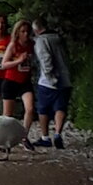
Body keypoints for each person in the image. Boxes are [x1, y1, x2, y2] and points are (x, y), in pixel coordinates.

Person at [32, 17, 72, 149]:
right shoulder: (59, 38)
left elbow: (45, 60)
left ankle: (45, 137)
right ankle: (58, 133)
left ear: (36, 29)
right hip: (65, 79)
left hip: (48, 82)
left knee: (43, 109)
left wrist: (50, 77)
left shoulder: (41, 41)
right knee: (60, 107)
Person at [1, 18, 35, 147]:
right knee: (7, 116)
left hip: (25, 81)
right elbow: (4, 64)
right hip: (11, 80)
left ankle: (24, 136)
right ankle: (4, 140)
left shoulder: (32, 44)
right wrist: (19, 61)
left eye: (27, 31)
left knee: (30, 108)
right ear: (18, 33)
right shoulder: (13, 45)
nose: (25, 34)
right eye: (23, 31)